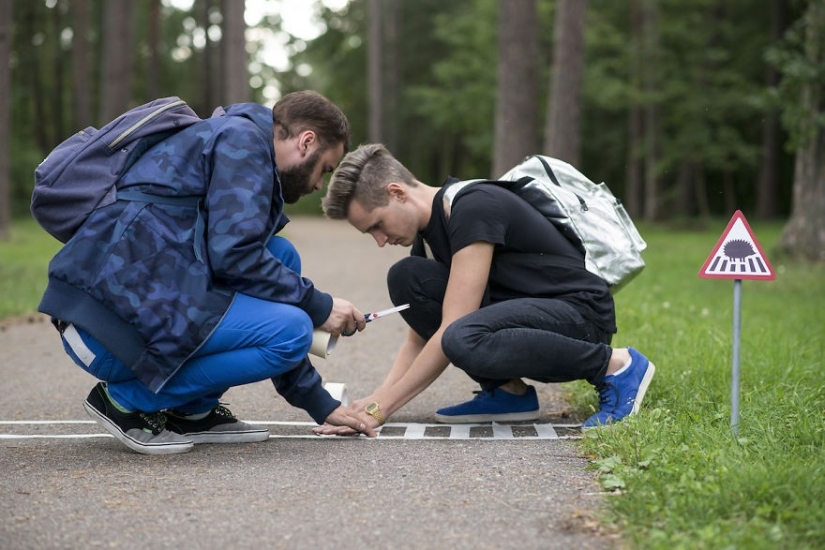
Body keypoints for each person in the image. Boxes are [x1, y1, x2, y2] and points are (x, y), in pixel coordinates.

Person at [39, 91, 376, 455]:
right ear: (306, 141)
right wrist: (320, 306)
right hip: (105, 333)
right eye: (324, 168)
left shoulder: (237, 137)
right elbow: (235, 256)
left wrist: (321, 405)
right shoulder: (243, 142)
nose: (317, 185)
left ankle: (191, 410)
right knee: (292, 331)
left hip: (124, 313)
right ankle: (124, 401)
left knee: (281, 255)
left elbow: (242, 259)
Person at [317, 143, 655, 434]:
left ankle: (616, 366)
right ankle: (509, 392)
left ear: (397, 192)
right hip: (529, 316)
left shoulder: (472, 206)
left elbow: (453, 328)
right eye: (369, 233)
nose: (379, 240)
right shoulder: (427, 238)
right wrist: (374, 399)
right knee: (406, 277)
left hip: (578, 317)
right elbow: (419, 338)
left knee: (461, 336)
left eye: (377, 225)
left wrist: (380, 409)